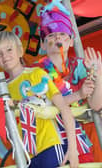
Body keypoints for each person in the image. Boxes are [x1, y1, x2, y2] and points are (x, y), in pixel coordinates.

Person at [0, 31, 79, 168]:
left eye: (9, 49)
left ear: (20, 51)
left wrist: (73, 149)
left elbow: (64, 109)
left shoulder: (37, 74)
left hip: (49, 146)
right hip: (25, 155)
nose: (5, 56)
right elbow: (7, 128)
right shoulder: (1, 91)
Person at [35, 7, 102, 162]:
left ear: (71, 41)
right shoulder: (36, 71)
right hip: (49, 140)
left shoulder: (79, 66)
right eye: (51, 34)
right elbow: (45, 105)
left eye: (63, 34)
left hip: (80, 139)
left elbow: (96, 105)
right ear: (43, 44)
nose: (57, 37)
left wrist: (98, 77)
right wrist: (78, 95)